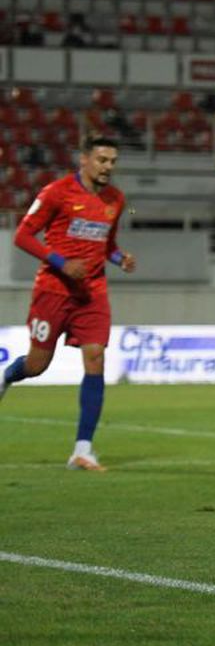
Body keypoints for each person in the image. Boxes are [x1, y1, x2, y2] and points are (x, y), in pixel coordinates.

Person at [1, 136, 136, 471]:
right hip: (53, 290)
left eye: (113, 161)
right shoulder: (56, 192)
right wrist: (62, 263)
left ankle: (82, 450)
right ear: (84, 160)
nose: (108, 167)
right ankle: (6, 377)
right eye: (102, 160)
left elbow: (108, 245)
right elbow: (22, 235)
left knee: (95, 357)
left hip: (92, 292)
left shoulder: (115, 199)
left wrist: (120, 259)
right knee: (36, 365)